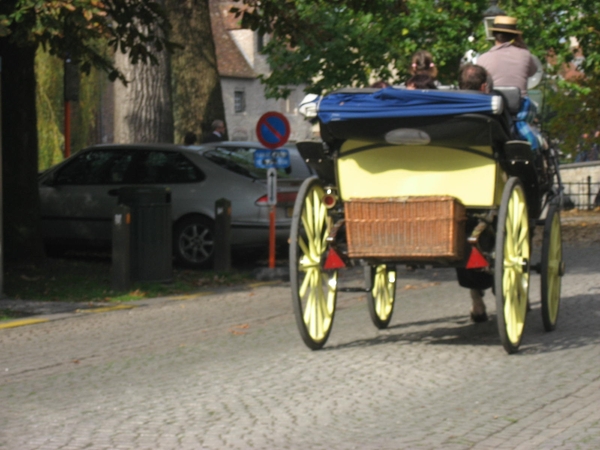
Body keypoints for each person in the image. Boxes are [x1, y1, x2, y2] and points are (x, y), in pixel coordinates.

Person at [476, 15, 537, 98]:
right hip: (520, 104)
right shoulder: (525, 55)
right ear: (514, 36)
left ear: (493, 34)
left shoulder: (483, 59)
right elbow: (533, 71)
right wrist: (523, 45)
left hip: (495, 104)